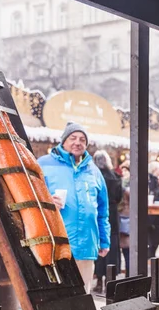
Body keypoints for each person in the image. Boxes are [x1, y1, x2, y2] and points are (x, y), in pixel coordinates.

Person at [37, 122, 111, 293]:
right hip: (56, 243)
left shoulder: (94, 171)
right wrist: (46, 201)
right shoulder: (44, 164)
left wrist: (104, 240)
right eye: (73, 138)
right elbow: (29, 196)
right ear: (63, 141)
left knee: (83, 294)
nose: (78, 142)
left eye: (82, 139)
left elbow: (102, 210)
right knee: (58, 294)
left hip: (87, 243)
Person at [92, 150, 123, 293]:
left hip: (97, 213)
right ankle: (111, 281)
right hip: (112, 214)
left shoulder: (93, 176)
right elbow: (119, 197)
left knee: (98, 246)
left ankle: (99, 281)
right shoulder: (115, 177)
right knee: (112, 247)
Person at [148, 161, 159, 258]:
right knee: (154, 233)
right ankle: (150, 254)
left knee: (157, 234)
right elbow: (153, 193)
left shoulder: (157, 179)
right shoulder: (151, 180)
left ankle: (152, 254)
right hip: (154, 209)